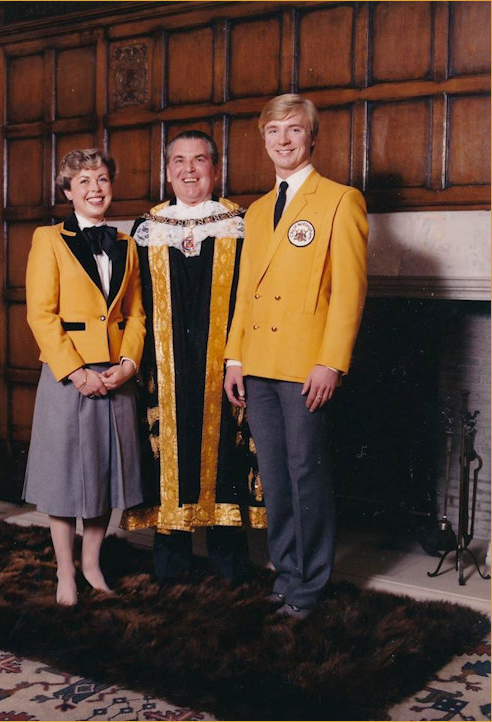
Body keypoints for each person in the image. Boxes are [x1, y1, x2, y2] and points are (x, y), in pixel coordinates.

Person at [224, 95, 368, 620]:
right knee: (275, 475)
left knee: (306, 471)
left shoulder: (340, 200)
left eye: (294, 130)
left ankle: (309, 585)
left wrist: (331, 361)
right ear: (263, 140)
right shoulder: (258, 211)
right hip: (258, 362)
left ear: (312, 138)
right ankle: (285, 575)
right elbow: (245, 291)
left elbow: (349, 293)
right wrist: (233, 358)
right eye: (273, 131)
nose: (283, 140)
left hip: (307, 364)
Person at [120, 130, 265, 584]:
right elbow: (134, 305)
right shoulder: (147, 229)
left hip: (223, 366)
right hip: (163, 367)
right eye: (179, 161)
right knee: (169, 458)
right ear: (167, 171)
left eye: (199, 160)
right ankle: (171, 571)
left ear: (216, 169)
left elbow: (253, 297)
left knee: (222, 454)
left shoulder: (240, 224)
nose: (189, 170)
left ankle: (230, 571)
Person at [23, 148, 146, 606]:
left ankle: (92, 564)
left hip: (115, 376)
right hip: (67, 376)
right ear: (68, 191)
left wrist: (128, 365)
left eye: (102, 179)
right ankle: (65, 571)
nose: (95, 188)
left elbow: (136, 315)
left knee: (105, 475)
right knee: (64, 477)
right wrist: (76, 372)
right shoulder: (48, 239)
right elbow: (41, 315)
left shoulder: (127, 242)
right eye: (84, 181)